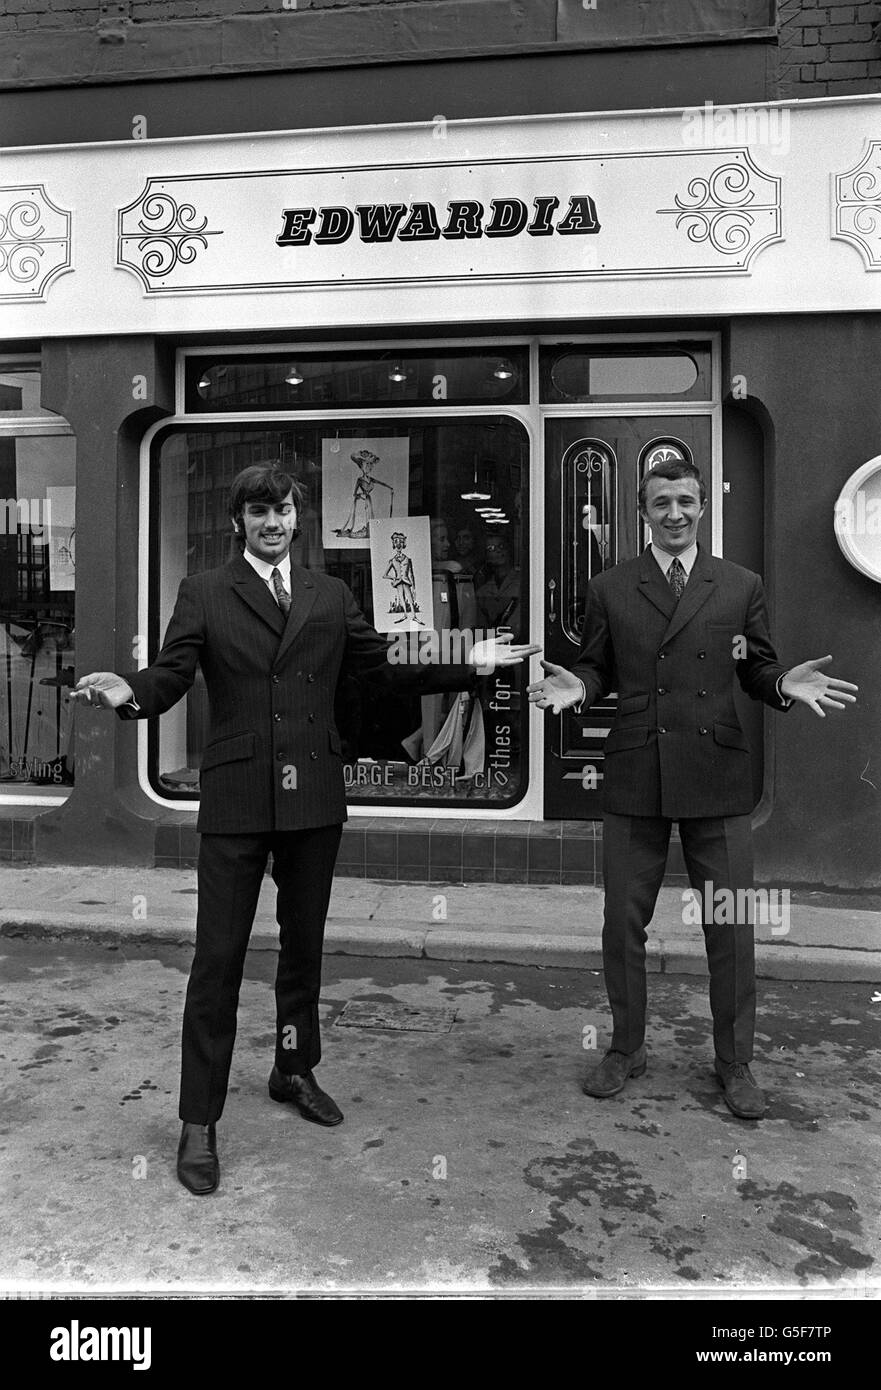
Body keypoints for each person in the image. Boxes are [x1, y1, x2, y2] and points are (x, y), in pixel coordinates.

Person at [72, 465, 539, 1194]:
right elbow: (171, 674)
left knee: (302, 950)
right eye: (258, 511)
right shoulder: (203, 591)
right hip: (235, 801)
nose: (272, 522)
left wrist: (464, 659)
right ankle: (199, 1119)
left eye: (283, 510)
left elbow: (381, 662)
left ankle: (293, 1067)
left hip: (312, 797)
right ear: (238, 521)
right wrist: (131, 691)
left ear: (298, 518)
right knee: (217, 961)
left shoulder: (328, 593)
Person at [528, 459, 857, 1120]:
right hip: (635, 773)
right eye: (659, 503)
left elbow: (756, 666)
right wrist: (581, 686)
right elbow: (594, 666)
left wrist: (781, 686)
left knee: (731, 927)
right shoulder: (610, 587)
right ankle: (624, 1048)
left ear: (702, 506)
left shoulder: (738, 585)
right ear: (642, 513)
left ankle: (734, 1062)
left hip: (716, 774)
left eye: (684, 501)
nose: (673, 513)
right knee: (621, 923)